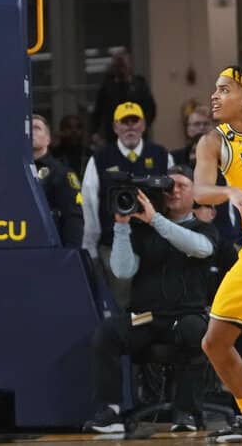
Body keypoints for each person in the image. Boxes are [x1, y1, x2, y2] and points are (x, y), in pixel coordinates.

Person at [85, 165, 218, 433]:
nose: (175, 191)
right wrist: (122, 227)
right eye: (169, 186)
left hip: (184, 316)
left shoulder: (204, 229)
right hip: (148, 317)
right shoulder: (144, 229)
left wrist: (156, 219)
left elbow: (200, 249)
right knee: (108, 332)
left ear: (195, 193)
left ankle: (187, 411)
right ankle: (111, 412)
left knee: (197, 332)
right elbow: (123, 270)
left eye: (182, 185)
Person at [194, 67, 242, 440]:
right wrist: (230, 193)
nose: (214, 96)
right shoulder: (212, 141)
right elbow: (200, 191)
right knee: (214, 342)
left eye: (224, 89)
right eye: (214, 89)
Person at [82, 101, 173, 307]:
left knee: (155, 299)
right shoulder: (100, 159)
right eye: (124, 122)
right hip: (112, 241)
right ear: (115, 127)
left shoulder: (161, 155)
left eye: (135, 121)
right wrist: (90, 247)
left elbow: (173, 197)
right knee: (120, 301)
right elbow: (89, 202)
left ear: (143, 125)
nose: (130, 127)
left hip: (153, 241)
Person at [32, 114, 84, 248]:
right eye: (28, 128)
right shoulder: (13, 170)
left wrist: (70, 254)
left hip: (51, 248)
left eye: (37, 128)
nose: (31, 131)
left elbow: (73, 219)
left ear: (48, 138)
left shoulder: (62, 173)